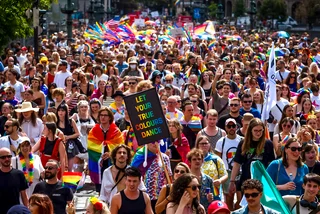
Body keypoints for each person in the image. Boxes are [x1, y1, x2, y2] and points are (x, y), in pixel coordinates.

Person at [229, 119, 275, 204]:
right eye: (255, 130)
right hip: (246, 180)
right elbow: (237, 163)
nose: (258, 133)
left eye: (260, 130)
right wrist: (232, 181)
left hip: (262, 181)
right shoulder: (243, 143)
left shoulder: (268, 144)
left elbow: (271, 165)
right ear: (250, 130)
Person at [88, 106, 124, 193]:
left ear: (110, 117)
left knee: (113, 186)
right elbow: (91, 147)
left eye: (105, 115)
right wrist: (100, 155)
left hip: (112, 162)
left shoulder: (116, 131)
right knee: (100, 189)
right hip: (98, 162)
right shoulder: (94, 131)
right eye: (101, 115)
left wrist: (111, 153)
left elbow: (120, 146)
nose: (103, 117)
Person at [131, 142, 172, 212]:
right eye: (152, 142)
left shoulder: (164, 158)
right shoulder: (139, 157)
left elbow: (169, 177)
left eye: (157, 141)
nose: (155, 144)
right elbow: (132, 176)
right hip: (143, 196)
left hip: (160, 197)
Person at [215, 118, 243, 210]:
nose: (231, 128)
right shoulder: (221, 142)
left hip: (240, 172)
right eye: (229, 126)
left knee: (241, 199)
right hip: (227, 172)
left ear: (236, 127)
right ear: (225, 128)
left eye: (233, 126)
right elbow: (218, 160)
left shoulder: (242, 140)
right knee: (229, 198)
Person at [0, 147, 28, 213]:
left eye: (9, 156)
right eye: (3, 157)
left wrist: (27, 210)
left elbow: (24, 195)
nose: (6, 159)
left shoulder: (19, 174)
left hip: (15, 211)